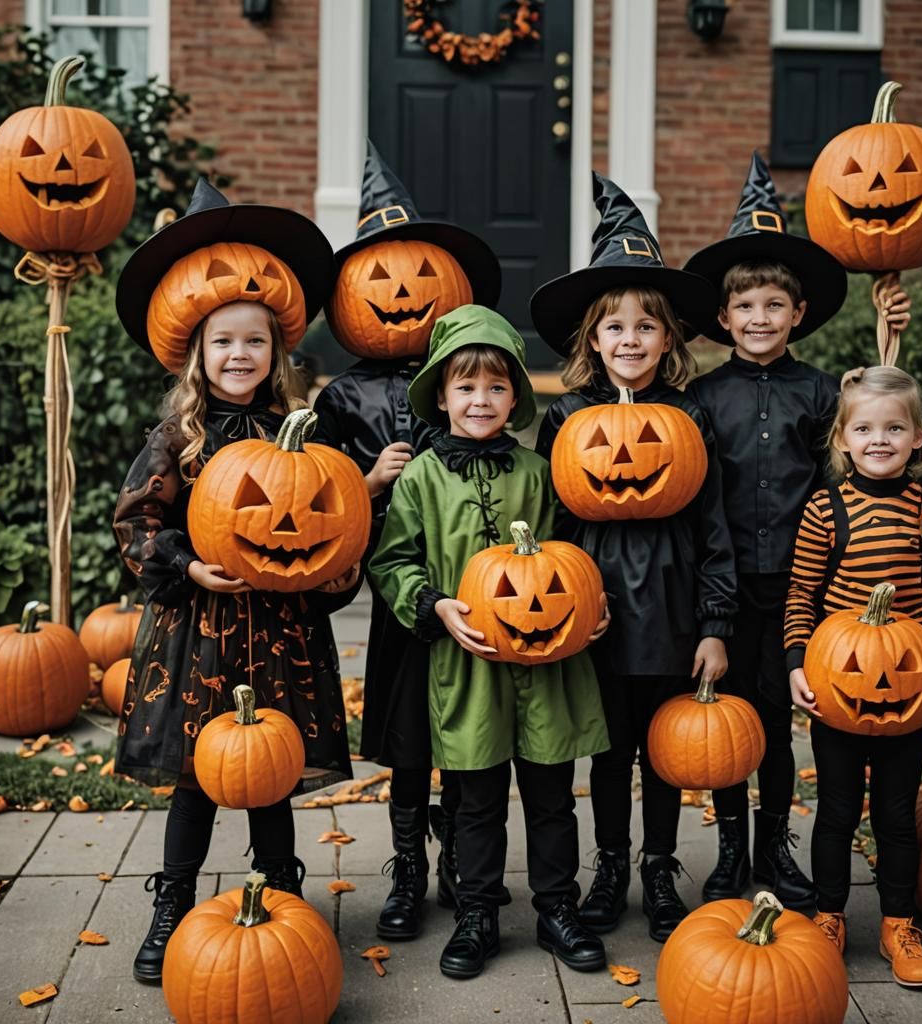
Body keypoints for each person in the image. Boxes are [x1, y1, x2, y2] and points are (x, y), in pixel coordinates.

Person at [684, 153, 922, 909]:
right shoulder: (703, 398)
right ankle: (732, 846)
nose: (760, 319)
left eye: (775, 306)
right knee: (730, 721)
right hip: (725, 582)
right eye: (746, 308)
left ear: (798, 313)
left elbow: (872, 451)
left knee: (776, 721)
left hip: (802, 591)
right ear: (723, 317)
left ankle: (776, 842)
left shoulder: (819, 393)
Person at [113, 180, 355, 983]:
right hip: (198, 642)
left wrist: (335, 567)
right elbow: (136, 526)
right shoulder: (177, 438)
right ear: (197, 353)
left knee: (270, 771)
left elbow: (327, 531)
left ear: (276, 351)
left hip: (281, 636)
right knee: (200, 777)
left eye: (254, 341)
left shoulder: (302, 435)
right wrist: (186, 564)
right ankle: (172, 901)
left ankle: (281, 892)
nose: (240, 355)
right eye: (223, 342)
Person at [369, 304, 611, 980]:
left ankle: (556, 907)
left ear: (516, 396)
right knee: (473, 799)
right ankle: (477, 913)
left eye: (497, 387)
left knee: (552, 794)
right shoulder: (420, 477)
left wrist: (593, 606)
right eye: (467, 387)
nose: (481, 400)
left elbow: (572, 550)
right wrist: (435, 604)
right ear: (442, 395)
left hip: (548, 661)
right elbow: (392, 560)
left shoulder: (538, 473)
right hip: (466, 660)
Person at [531, 173, 737, 942]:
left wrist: (715, 623)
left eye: (645, 328)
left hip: (674, 606)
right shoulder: (567, 417)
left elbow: (713, 527)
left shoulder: (687, 416)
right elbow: (548, 524)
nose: (629, 340)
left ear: (668, 340)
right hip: (595, 609)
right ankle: (609, 864)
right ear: (592, 338)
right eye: (614, 327)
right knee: (610, 751)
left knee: (665, 749)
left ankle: (658, 867)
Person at [314, 142, 501, 940]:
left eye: (419, 278)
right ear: (352, 294)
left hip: (470, 585)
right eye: (379, 280)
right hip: (398, 593)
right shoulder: (343, 392)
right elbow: (312, 496)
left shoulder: (462, 375)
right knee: (409, 741)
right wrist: (372, 479)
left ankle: (462, 860)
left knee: (465, 734)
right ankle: (408, 866)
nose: (400, 295)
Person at [785, 365, 922, 988]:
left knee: (894, 814)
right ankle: (829, 915)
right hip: (838, 689)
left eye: (895, 427)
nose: (879, 439)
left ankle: (898, 921)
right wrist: (794, 665)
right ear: (842, 439)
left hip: (908, 693)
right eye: (864, 428)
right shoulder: (825, 507)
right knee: (836, 811)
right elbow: (803, 595)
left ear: (918, 437)